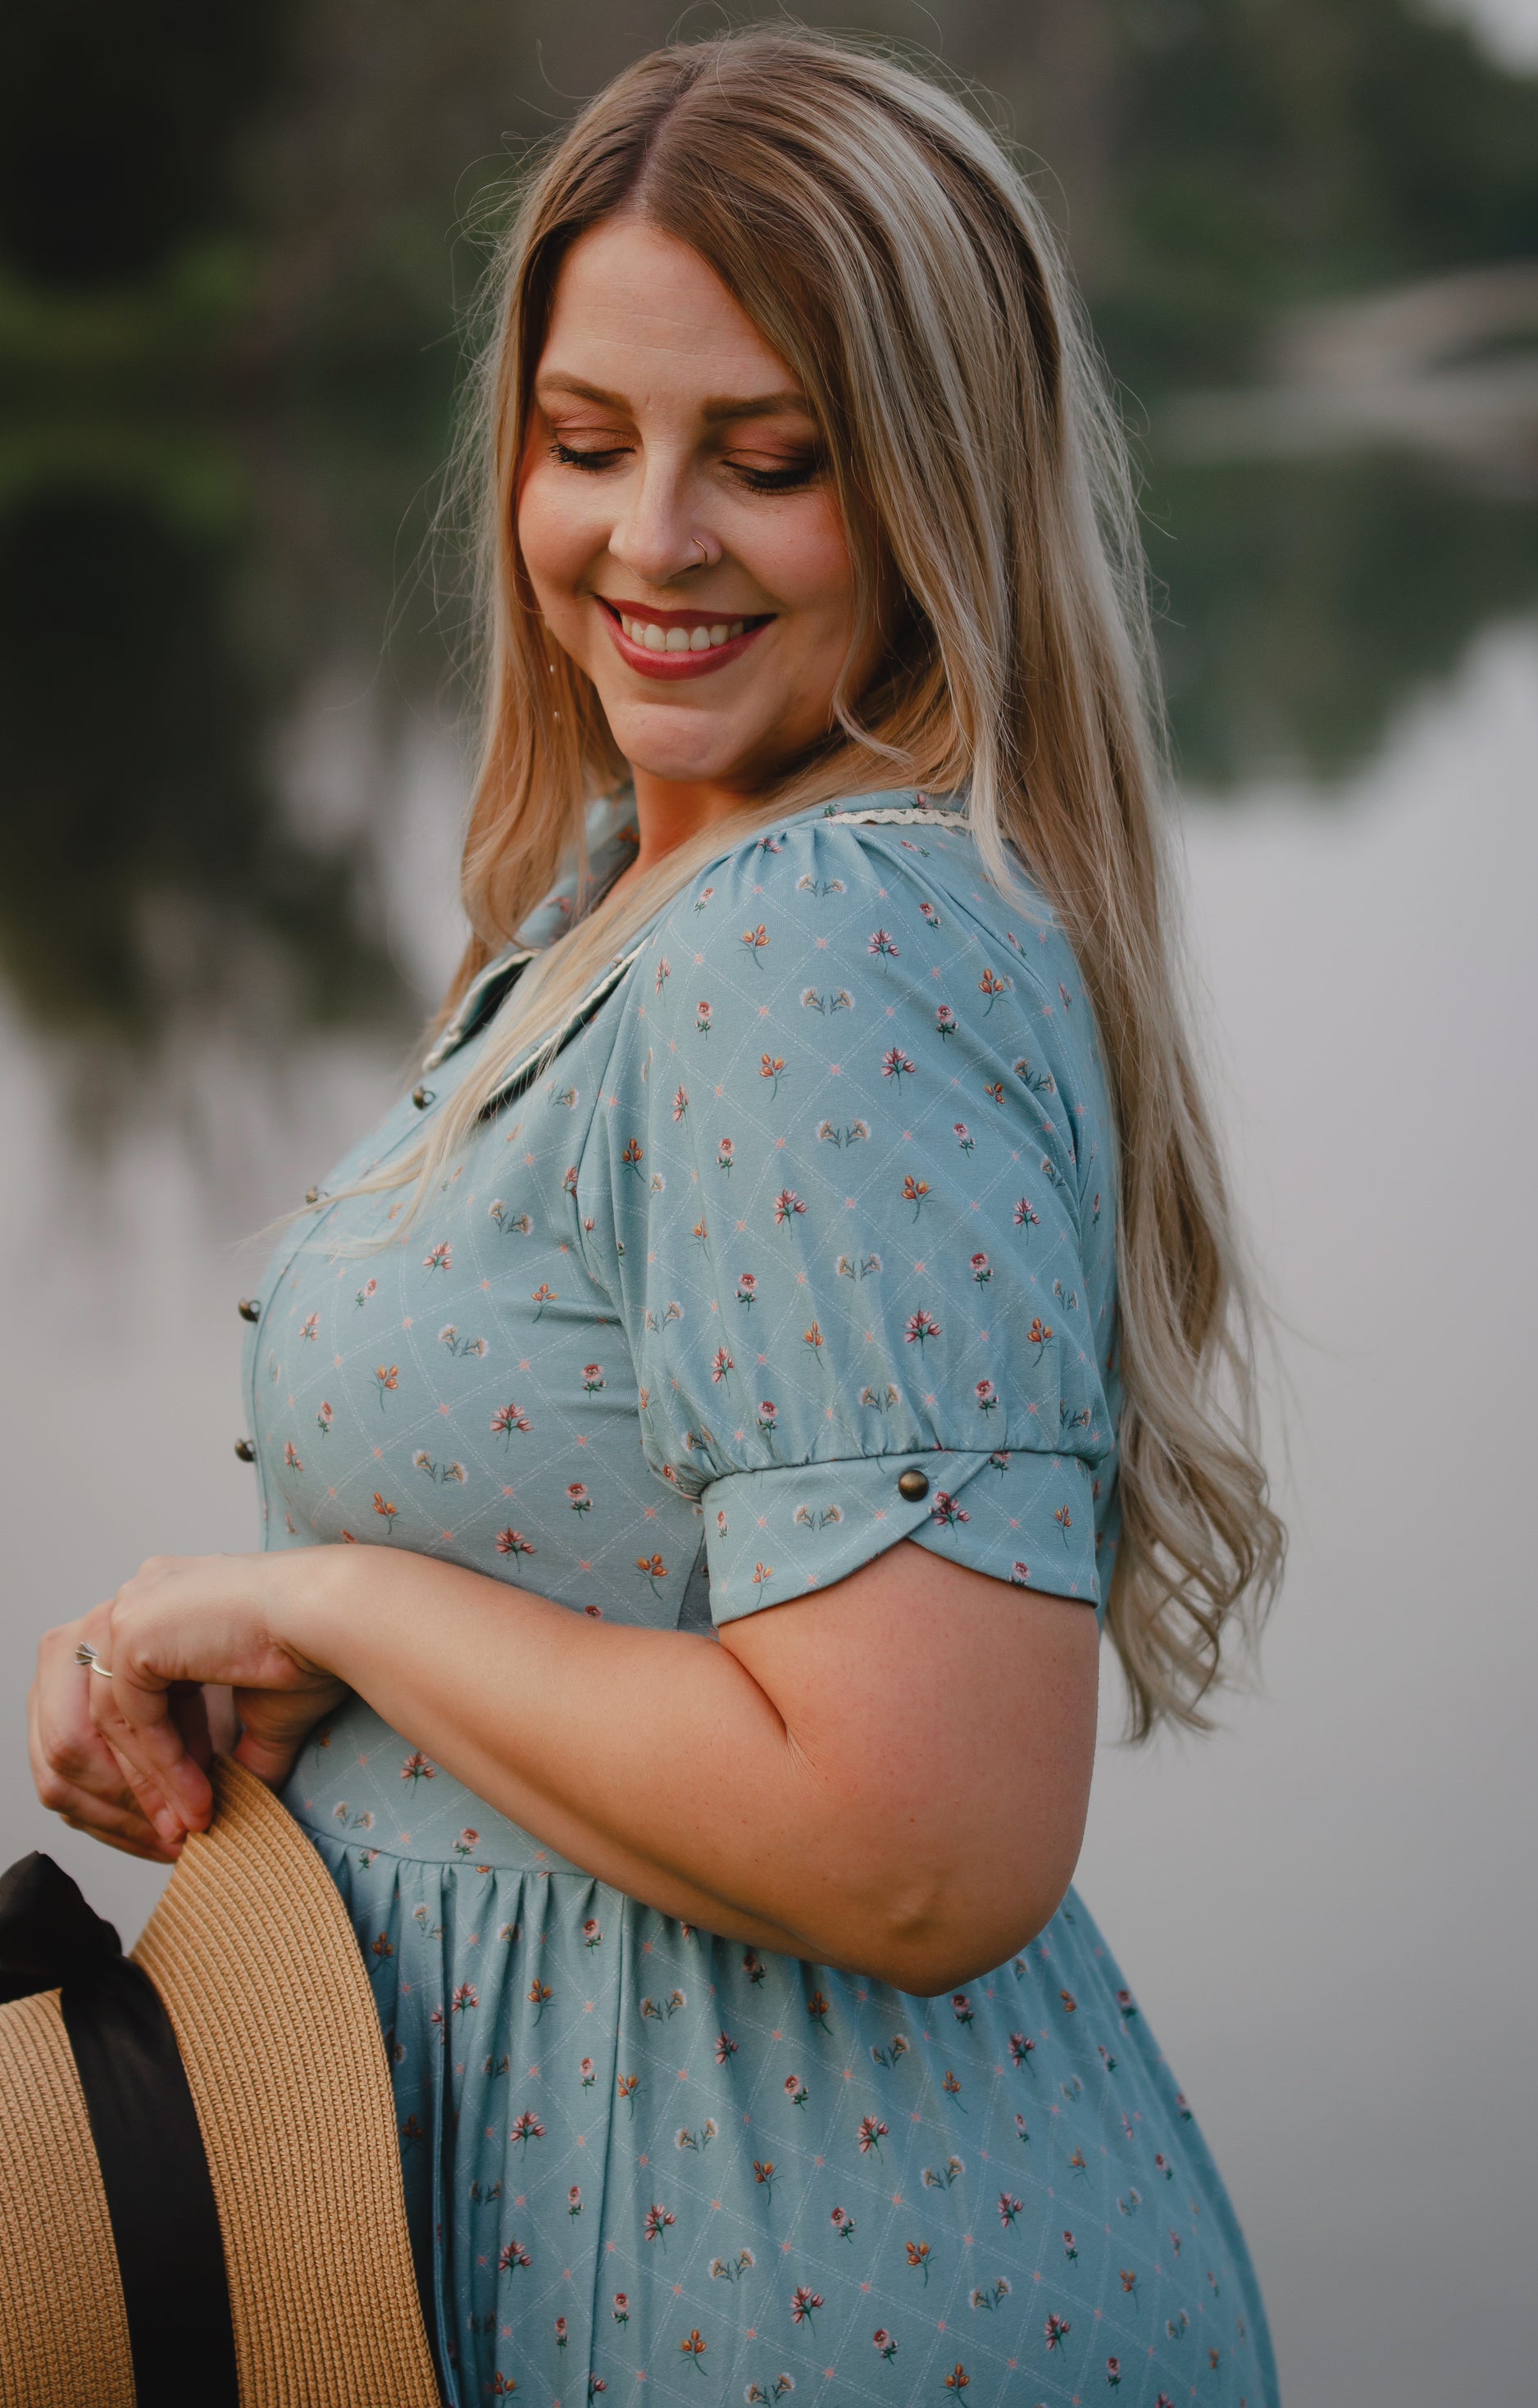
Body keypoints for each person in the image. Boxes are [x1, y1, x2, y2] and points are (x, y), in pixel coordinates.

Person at [28, 30, 1284, 2406]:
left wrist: (338, 1593)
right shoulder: (620, 893)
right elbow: (648, 1591)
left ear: (939, 484)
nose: (649, 537)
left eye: (770, 460)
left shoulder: (823, 935)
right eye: (585, 441)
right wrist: (305, 1686)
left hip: (790, 2289)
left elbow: (924, 1834)